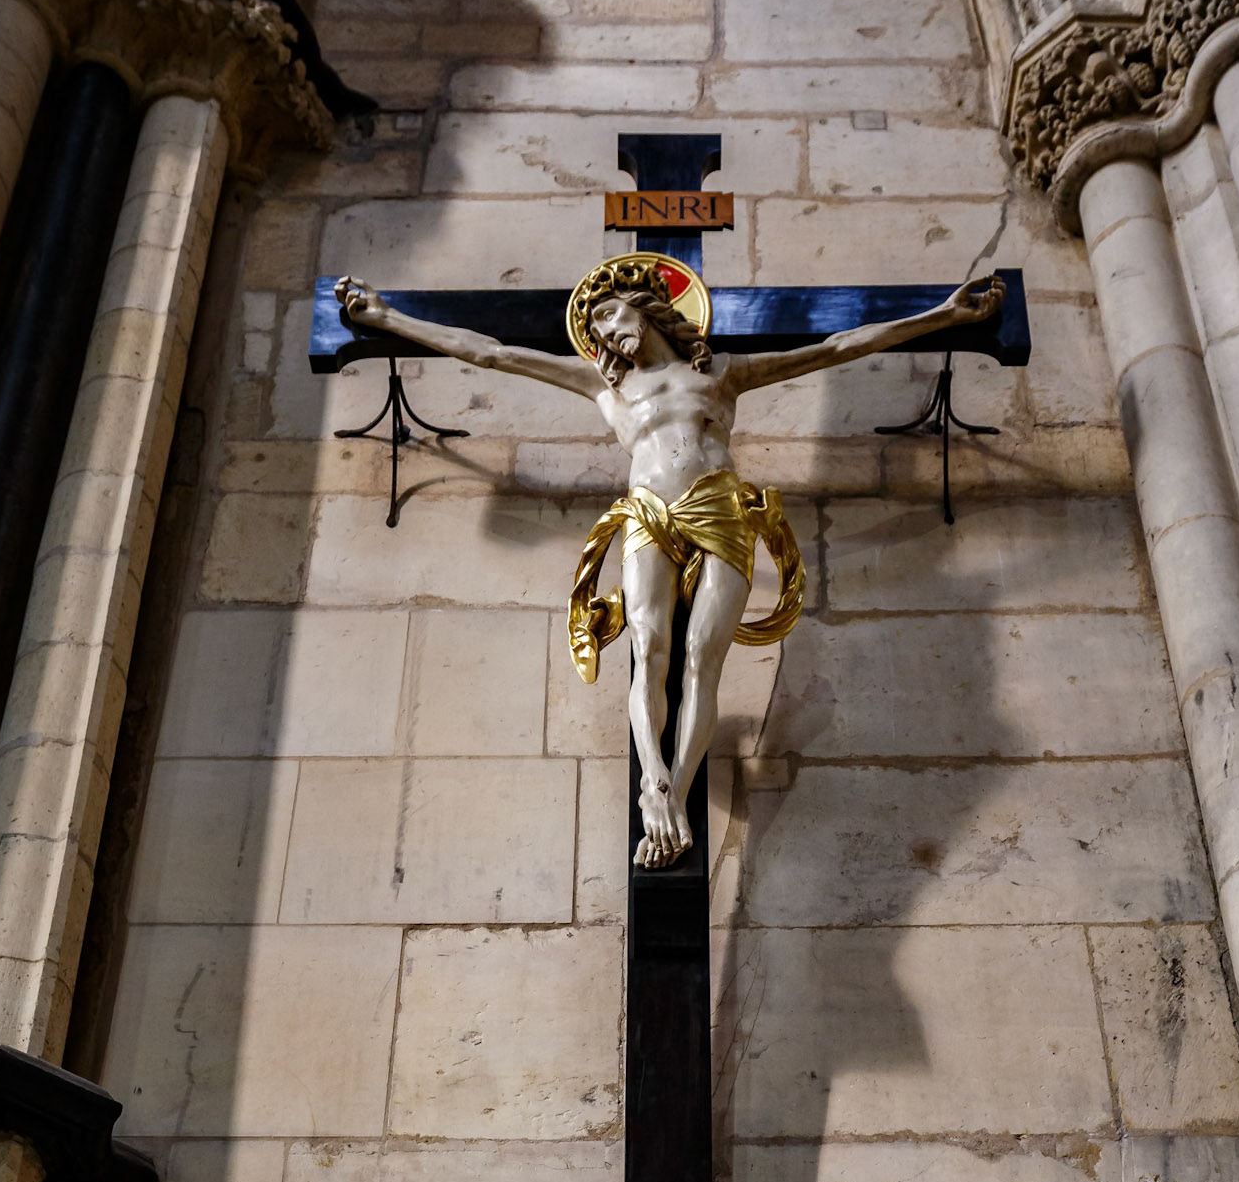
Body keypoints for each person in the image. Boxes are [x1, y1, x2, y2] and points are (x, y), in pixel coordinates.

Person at [335, 258, 1005, 867]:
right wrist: (386, 318)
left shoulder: (721, 372)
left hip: (719, 508)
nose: (604, 336)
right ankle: (652, 779)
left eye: (612, 317)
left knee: (700, 658)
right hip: (648, 511)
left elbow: (831, 348)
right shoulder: (604, 387)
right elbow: (489, 353)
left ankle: (673, 800)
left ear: (646, 309)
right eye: (594, 326)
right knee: (649, 644)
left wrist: (943, 316)